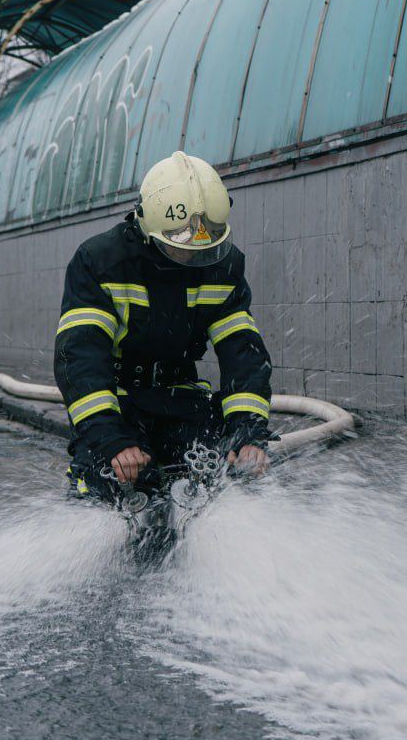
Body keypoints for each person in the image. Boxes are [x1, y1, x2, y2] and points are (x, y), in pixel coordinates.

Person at [54, 151, 273, 503]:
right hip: (119, 400)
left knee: (222, 476)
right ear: (148, 225)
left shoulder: (223, 267)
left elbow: (243, 353)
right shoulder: (101, 262)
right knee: (106, 480)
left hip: (181, 396)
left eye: (205, 242)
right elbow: (79, 357)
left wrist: (247, 433)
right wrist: (110, 438)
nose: (192, 254)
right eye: (178, 244)